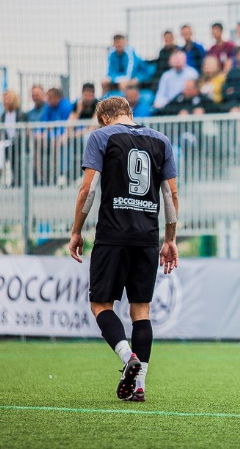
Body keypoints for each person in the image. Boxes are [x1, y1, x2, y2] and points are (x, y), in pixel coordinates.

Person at [69, 96, 178, 403]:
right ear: (129, 113)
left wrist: (76, 231)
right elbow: (170, 196)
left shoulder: (101, 136)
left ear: (104, 118)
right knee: (141, 311)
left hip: (113, 235)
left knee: (100, 304)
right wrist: (170, 239)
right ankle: (139, 385)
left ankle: (127, 356)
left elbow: (88, 189)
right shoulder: (161, 141)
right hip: (147, 237)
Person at [36, 87, 73, 187]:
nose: (47, 100)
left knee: (60, 142)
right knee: (37, 140)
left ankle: (62, 174)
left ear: (57, 98)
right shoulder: (48, 106)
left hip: (64, 136)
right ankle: (40, 176)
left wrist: (53, 133)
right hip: (51, 136)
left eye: (49, 98)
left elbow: (65, 126)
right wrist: (41, 133)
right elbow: (44, 123)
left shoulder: (66, 106)